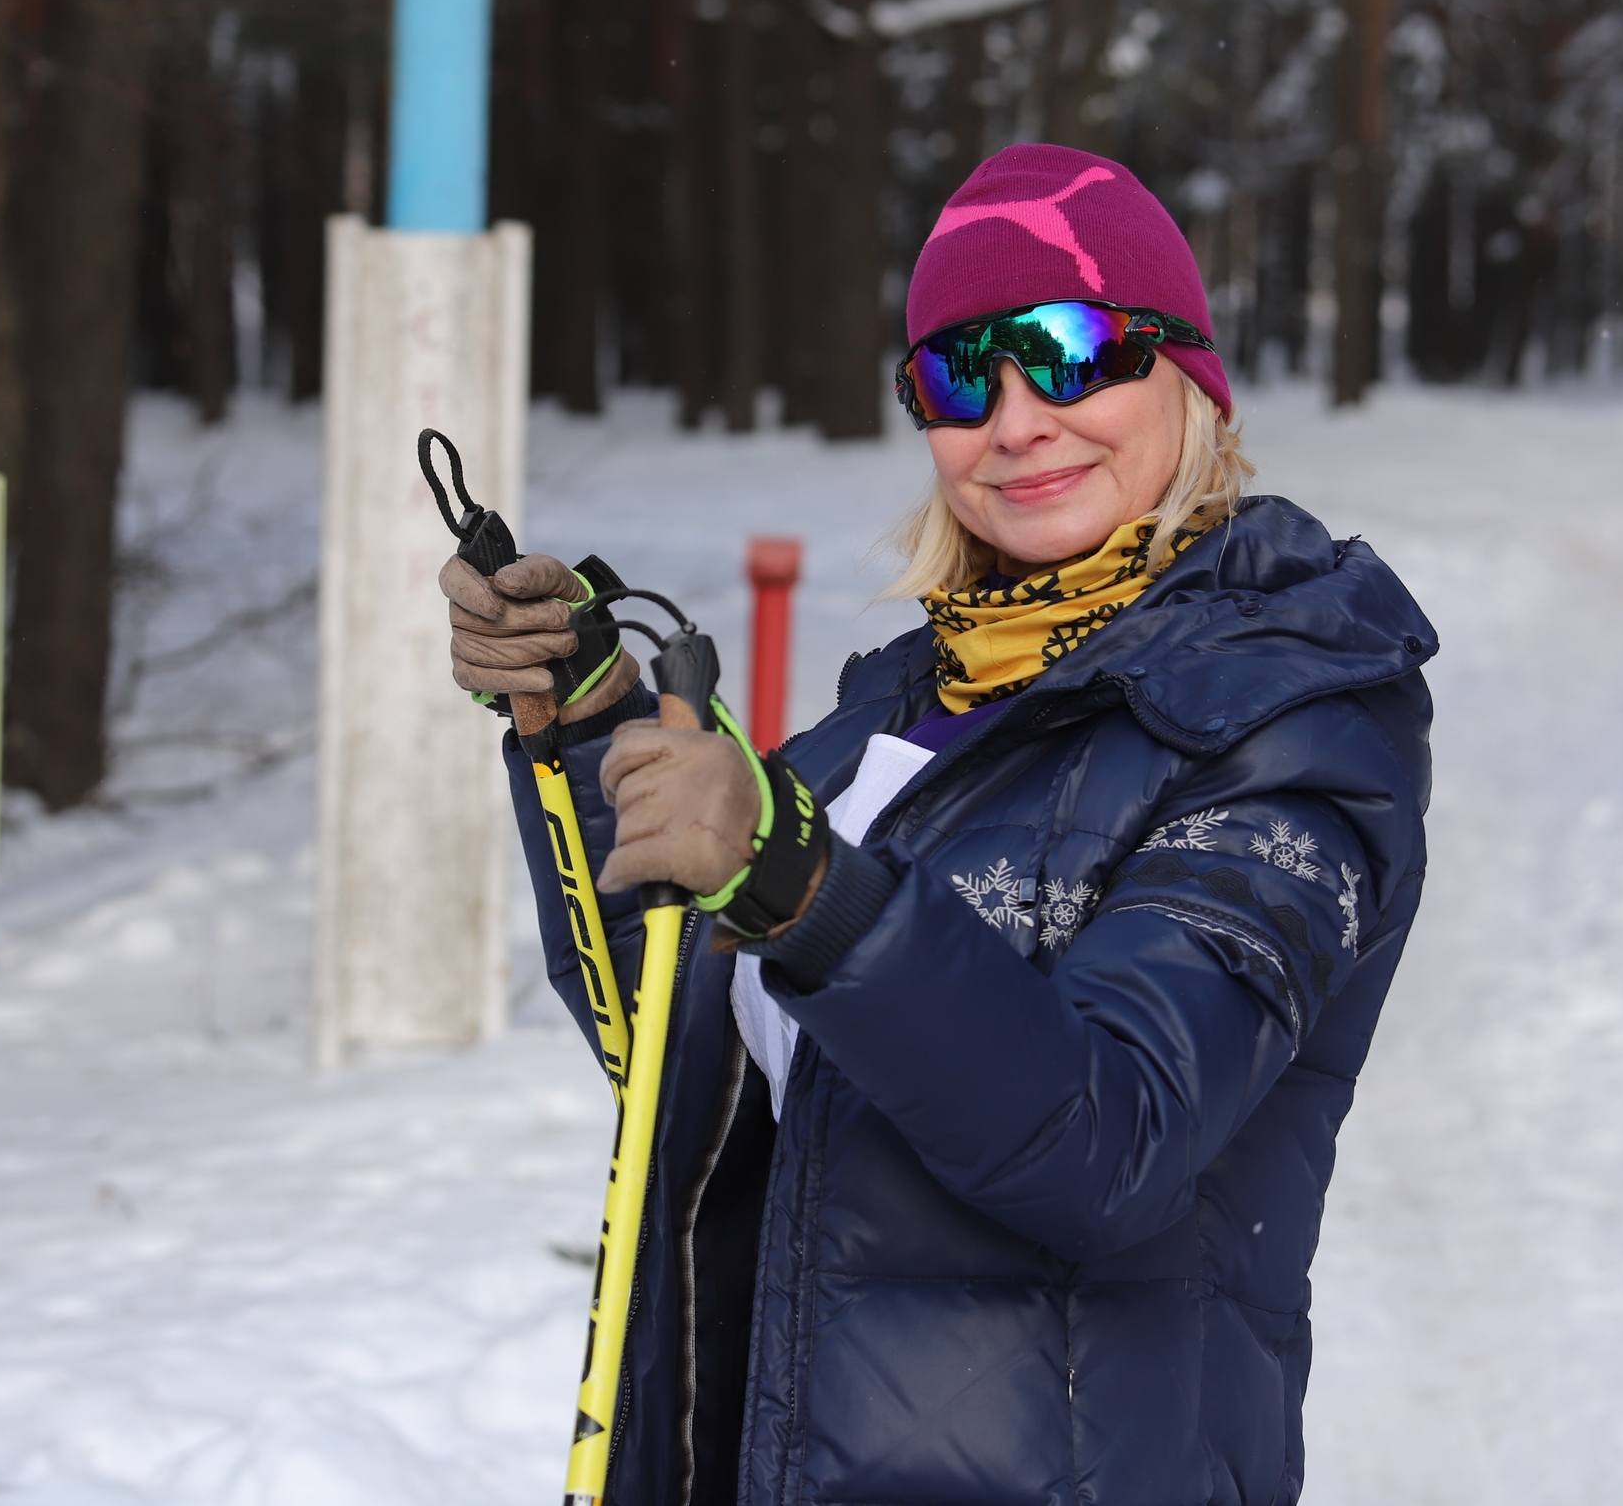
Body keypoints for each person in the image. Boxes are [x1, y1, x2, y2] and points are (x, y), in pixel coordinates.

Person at [440, 143, 1437, 1506]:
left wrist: (801, 885)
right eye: (962, 375)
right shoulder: (899, 719)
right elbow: (686, 1053)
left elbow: (1112, 1140)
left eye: (1073, 353)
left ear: (1190, 376)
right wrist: (586, 716)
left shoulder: (1292, 722)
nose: (1016, 421)